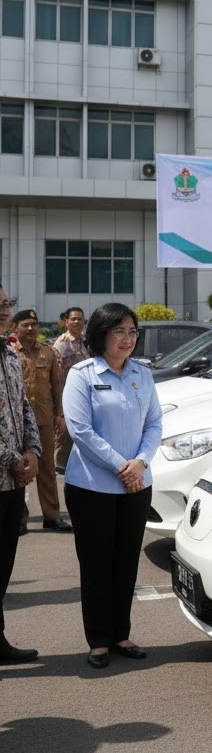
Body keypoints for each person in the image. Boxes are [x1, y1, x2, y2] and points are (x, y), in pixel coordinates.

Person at [62, 303, 162, 669]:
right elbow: (80, 431)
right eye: (119, 331)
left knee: (125, 564)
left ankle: (121, 633)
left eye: (132, 332)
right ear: (100, 334)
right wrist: (122, 465)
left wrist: (141, 462)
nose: (127, 339)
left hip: (137, 485)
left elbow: (154, 424)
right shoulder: (82, 375)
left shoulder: (142, 374)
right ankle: (99, 640)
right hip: (92, 487)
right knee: (96, 564)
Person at [0, 284, 42, 663]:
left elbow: (24, 408)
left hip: (11, 483)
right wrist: (12, 456)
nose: (3, 311)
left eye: (5, 304)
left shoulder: (10, 355)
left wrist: (32, 450)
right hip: (4, 471)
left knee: (3, 568)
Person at [13, 309, 72, 532]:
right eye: (25, 325)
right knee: (17, 469)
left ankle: (52, 515)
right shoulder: (9, 352)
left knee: (47, 468)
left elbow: (57, 386)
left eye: (34, 325)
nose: (30, 329)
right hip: (16, 423)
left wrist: (59, 415)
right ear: (15, 327)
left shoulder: (48, 353)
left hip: (44, 419)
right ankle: (19, 517)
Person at [53, 306, 88, 472]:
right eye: (73, 319)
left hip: (84, 393)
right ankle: (60, 465)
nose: (76, 322)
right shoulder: (61, 344)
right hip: (67, 393)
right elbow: (56, 375)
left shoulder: (84, 341)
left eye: (80, 319)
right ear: (66, 322)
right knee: (65, 434)